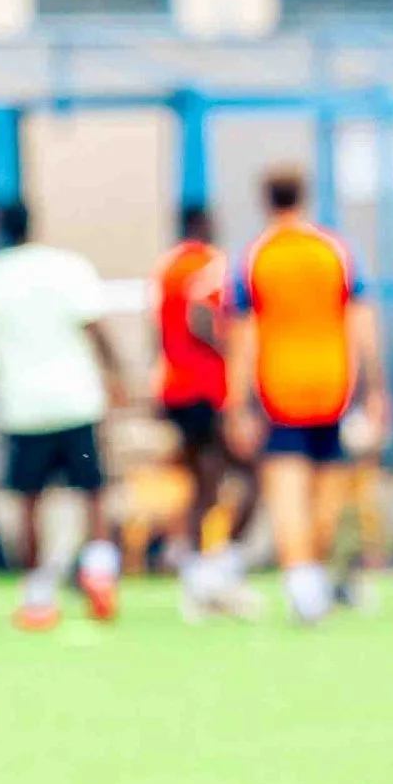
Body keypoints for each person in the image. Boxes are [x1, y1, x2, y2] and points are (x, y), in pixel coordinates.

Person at [222, 172, 387, 624]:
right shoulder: (335, 251)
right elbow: (362, 323)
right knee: (327, 496)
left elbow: (244, 335)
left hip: (280, 391)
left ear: (265, 200)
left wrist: (236, 405)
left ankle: (303, 585)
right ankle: (315, 582)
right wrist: (376, 389)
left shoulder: (255, 257)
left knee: (287, 496)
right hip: (334, 387)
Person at [0, 200, 124, 627]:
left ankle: (38, 595)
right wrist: (117, 378)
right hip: (76, 402)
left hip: (23, 408)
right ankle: (100, 574)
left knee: (29, 502)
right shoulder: (68, 268)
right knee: (93, 493)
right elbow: (97, 329)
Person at [153, 199, 238, 609]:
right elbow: (199, 318)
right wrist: (233, 349)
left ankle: (188, 553)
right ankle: (212, 561)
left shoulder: (166, 267)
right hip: (207, 386)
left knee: (198, 475)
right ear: (205, 224)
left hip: (173, 386)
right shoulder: (211, 264)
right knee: (223, 472)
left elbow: (156, 328)